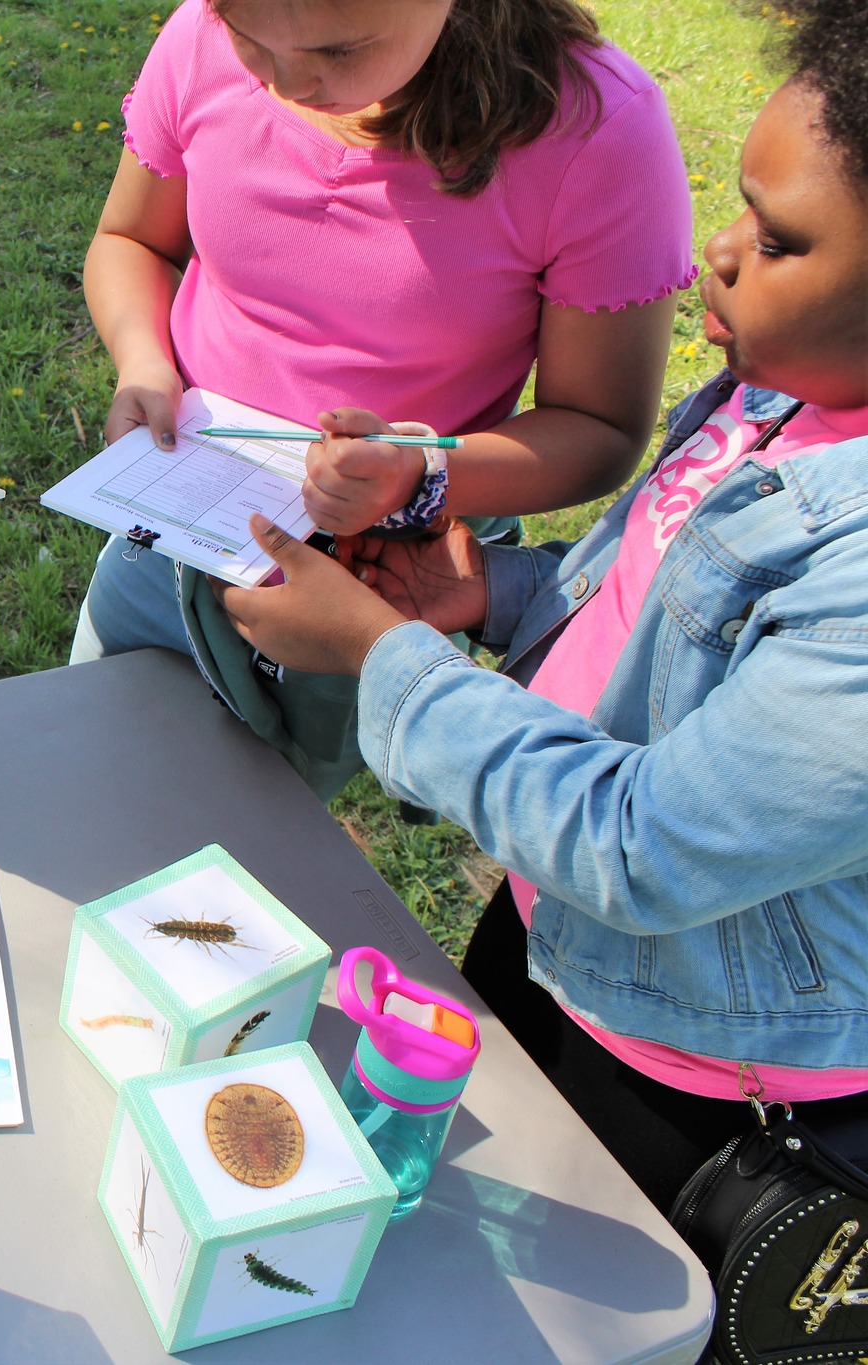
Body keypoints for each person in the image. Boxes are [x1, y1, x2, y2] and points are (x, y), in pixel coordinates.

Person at [209, 0, 868, 1211]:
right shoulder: (778, 393)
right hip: (552, 932)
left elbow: (646, 845)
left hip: (700, 1075)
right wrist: (494, 593)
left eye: (776, 243)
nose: (716, 253)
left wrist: (383, 655)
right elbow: (657, 602)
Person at [73, 0, 692, 801]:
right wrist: (143, 360)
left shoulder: (596, 131)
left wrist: (420, 474)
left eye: (340, 47)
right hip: (176, 532)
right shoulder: (200, 35)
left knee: (257, 843)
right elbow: (133, 239)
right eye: (248, 38)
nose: (287, 81)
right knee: (86, 776)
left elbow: (600, 427)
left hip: (380, 574)